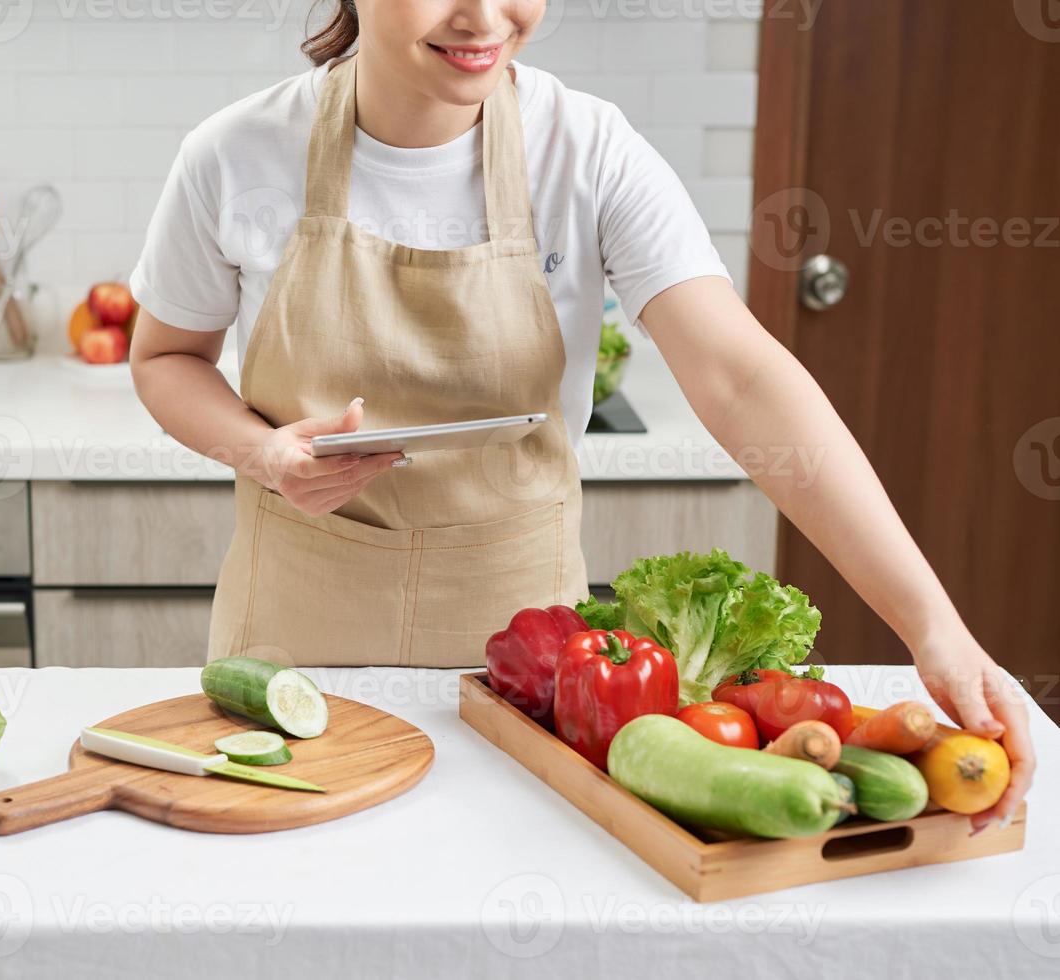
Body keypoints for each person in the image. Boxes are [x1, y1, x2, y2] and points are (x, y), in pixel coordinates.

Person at [128, 0, 1031, 831]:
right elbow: (166, 358)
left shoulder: (587, 148)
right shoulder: (238, 152)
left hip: (531, 671)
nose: (483, 16)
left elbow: (740, 379)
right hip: (290, 659)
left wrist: (930, 624)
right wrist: (263, 451)